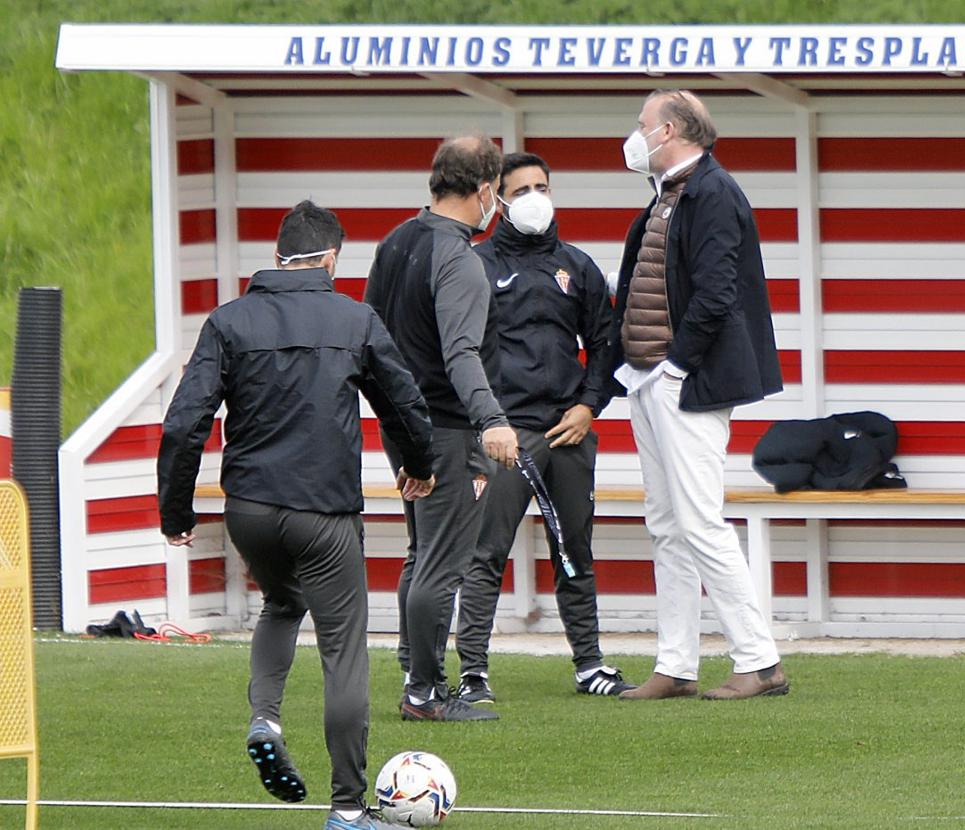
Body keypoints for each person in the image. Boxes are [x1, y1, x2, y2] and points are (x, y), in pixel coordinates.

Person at [157, 200, 437, 830]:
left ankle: (265, 717)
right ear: (332, 258)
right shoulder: (355, 318)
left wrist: (176, 510)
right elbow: (405, 403)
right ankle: (345, 807)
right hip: (325, 514)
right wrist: (419, 465)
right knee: (343, 650)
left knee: (282, 605)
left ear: (276, 256)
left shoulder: (228, 322)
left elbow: (184, 424)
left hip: (249, 511)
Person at [608, 90, 790, 701]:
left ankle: (759, 661)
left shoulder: (713, 192)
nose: (634, 137)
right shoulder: (667, 193)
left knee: (699, 521)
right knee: (665, 523)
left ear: (670, 131)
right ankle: (676, 663)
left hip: (684, 382)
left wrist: (677, 367)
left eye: (641, 126)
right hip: (648, 378)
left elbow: (716, 292)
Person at [453, 151, 636, 704]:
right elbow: (458, 350)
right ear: (499, 199)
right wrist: (489, 422)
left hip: (568, 431)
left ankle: (589, 665)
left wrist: (588, 407)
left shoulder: (577, 266)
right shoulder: (476, 265)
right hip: (505, 435)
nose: (535, 197)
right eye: (523, 188)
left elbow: (605, 344)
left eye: (543, 186)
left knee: (574, 548)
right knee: (487, 553)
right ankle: (474, 674)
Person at [365, 134, 519, 722]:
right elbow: (461, 355)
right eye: (497, 193)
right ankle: (424, 693)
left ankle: (414, 673)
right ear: (484, 189)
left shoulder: (395, 241)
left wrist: (393, 423)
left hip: (401, 426)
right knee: (442, 561)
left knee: (420, 553)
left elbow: (370, 341)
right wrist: (494, 420)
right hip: (448, 432)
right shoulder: (460, 260)